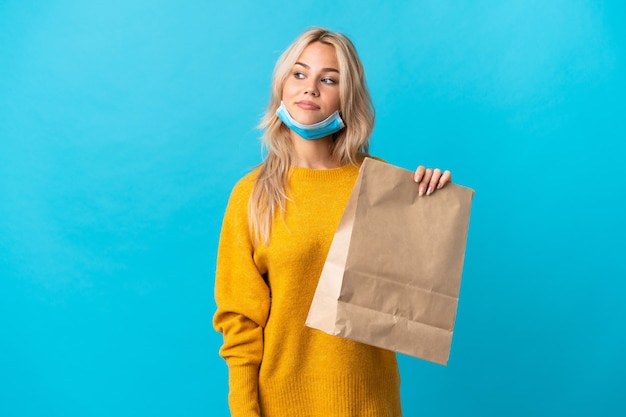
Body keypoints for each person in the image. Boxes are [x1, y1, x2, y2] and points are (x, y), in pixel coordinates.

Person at [213, 27, 452, 417]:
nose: (311, 88)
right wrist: (244, 410)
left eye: (329, 79)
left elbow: (410, 298)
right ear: (282, 87)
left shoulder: (384, 186)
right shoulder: (252, 194)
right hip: (282, 405)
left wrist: (431, 205)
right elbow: (239, 321)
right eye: (299, 74)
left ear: (348, 96)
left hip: (371, 403)